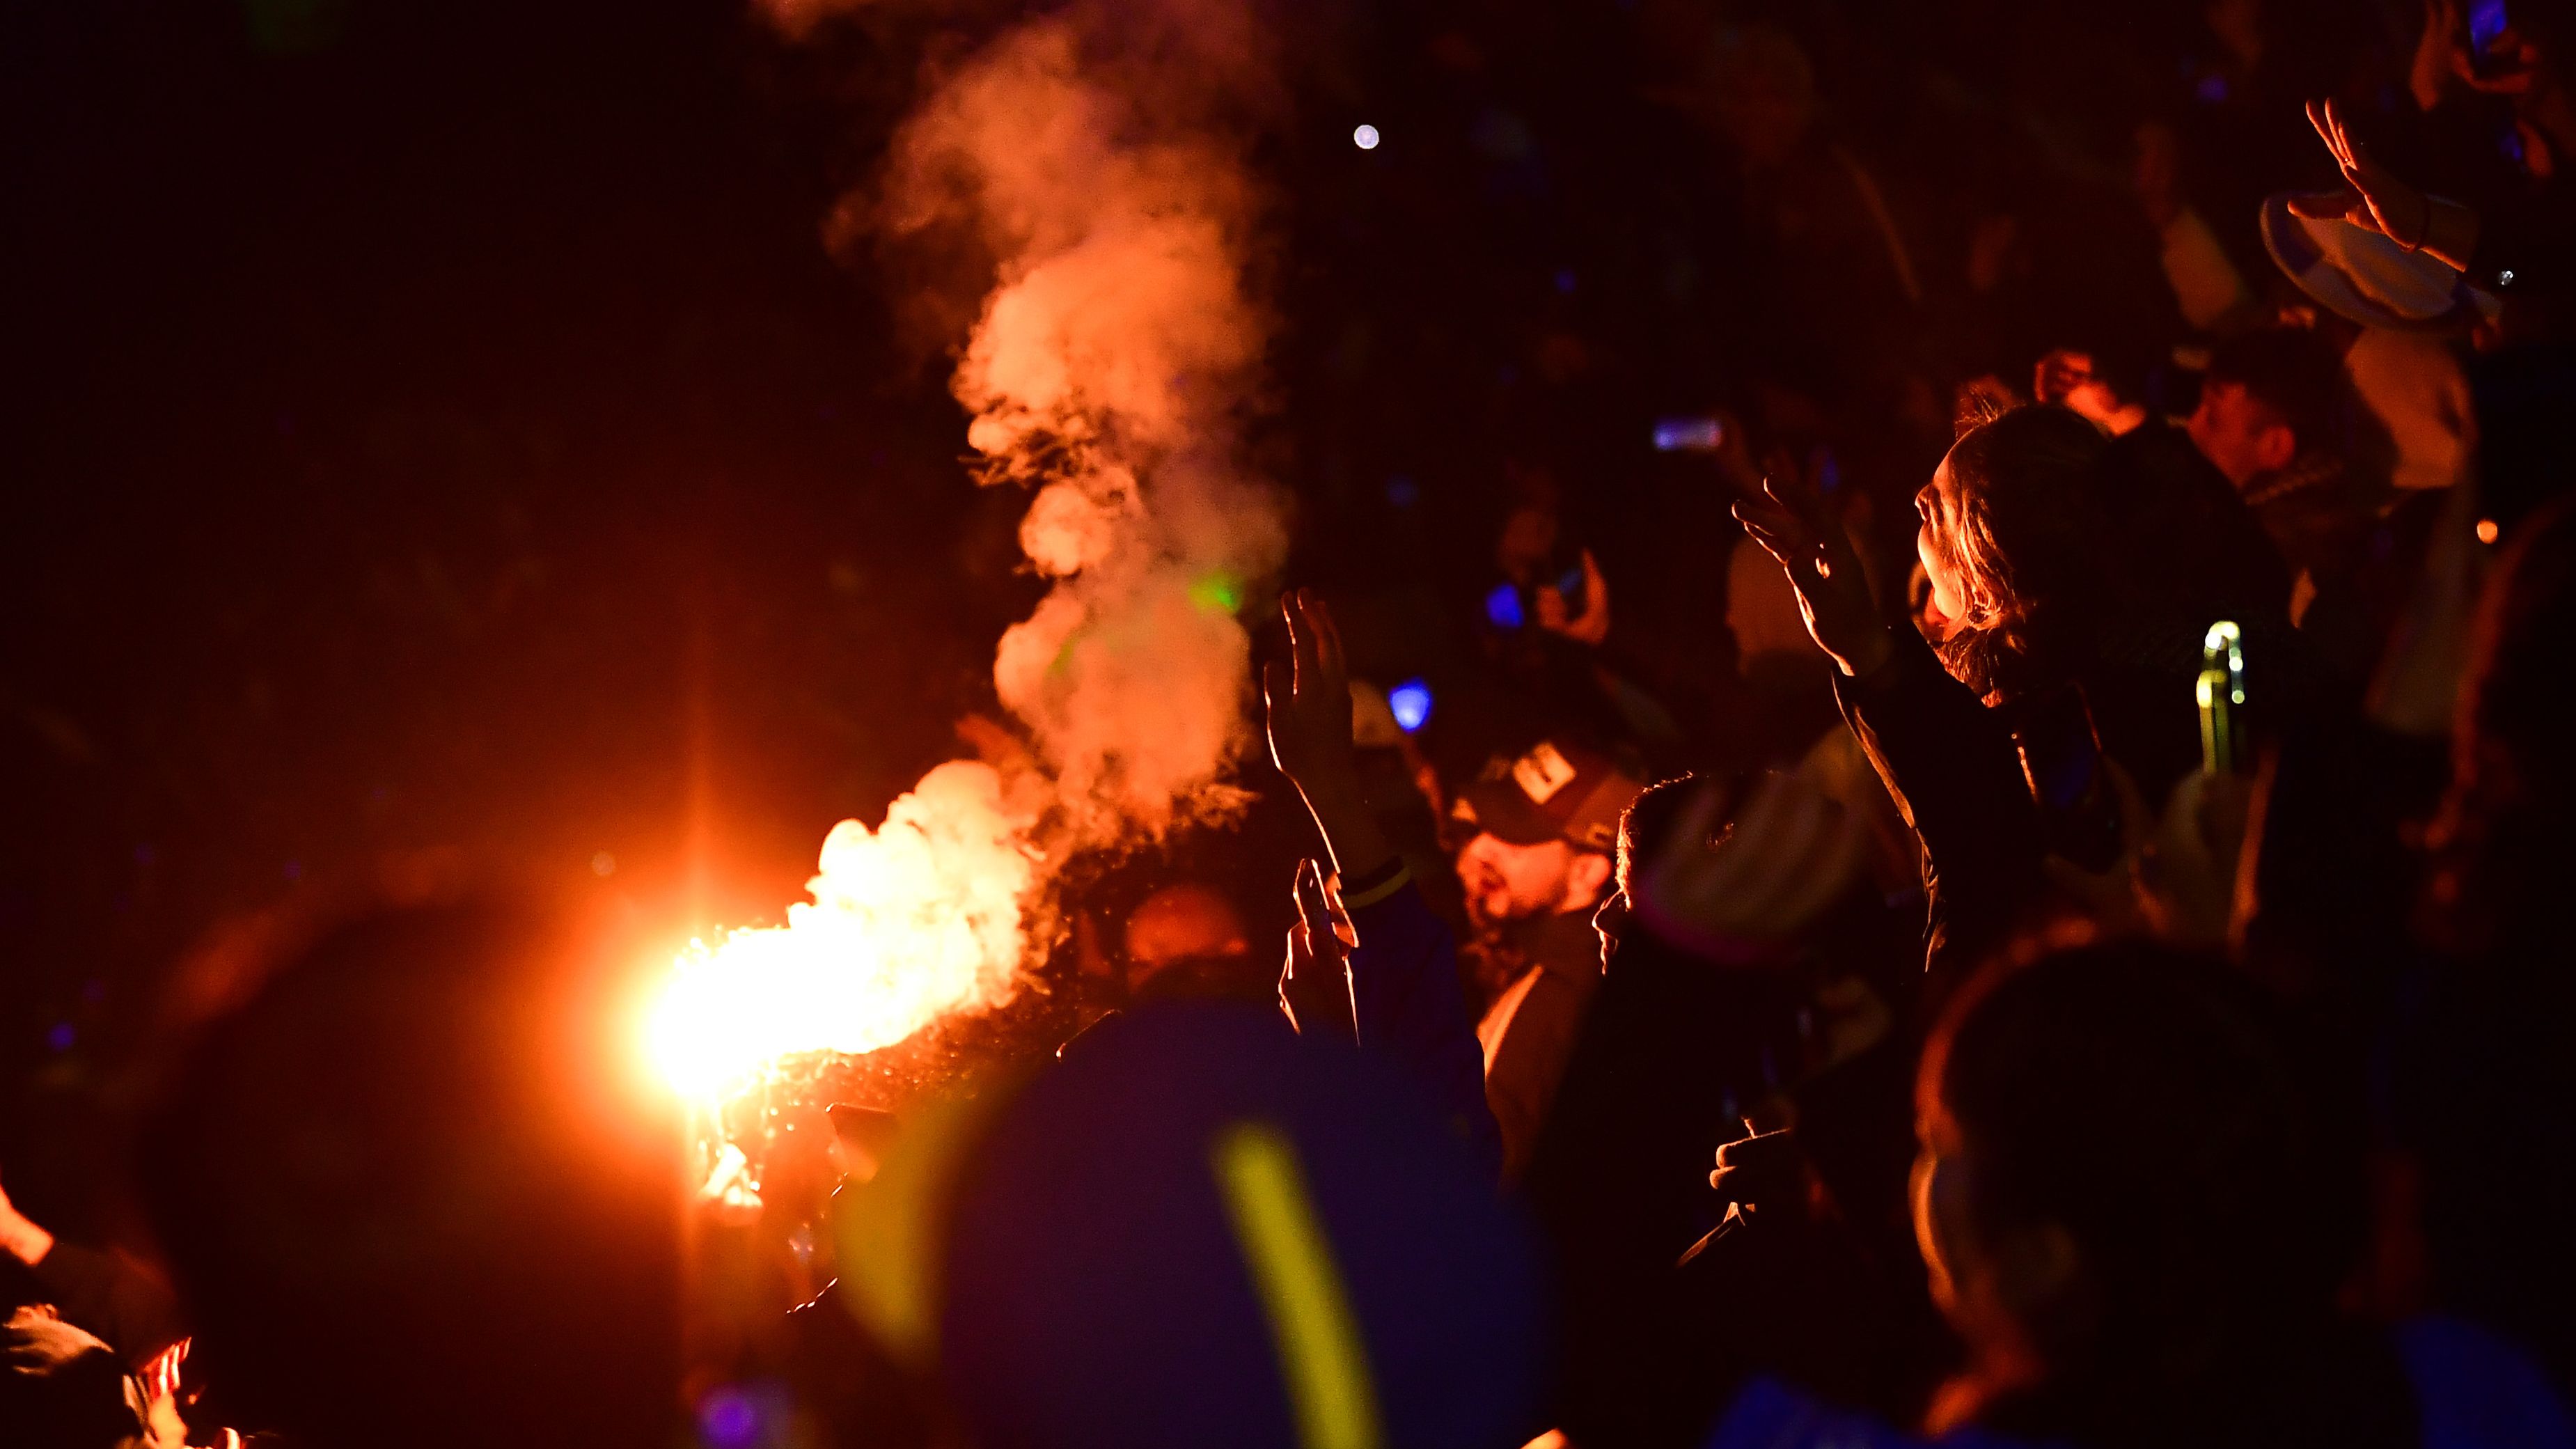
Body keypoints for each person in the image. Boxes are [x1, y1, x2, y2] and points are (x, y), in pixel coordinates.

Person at [1449, 737, 1644, 1179]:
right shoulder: (1550, 969)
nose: (1481, 847)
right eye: (1487, 826)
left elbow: (1471, 1173)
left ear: (1587, 872)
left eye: (1517, 834)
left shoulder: (1558, 996)